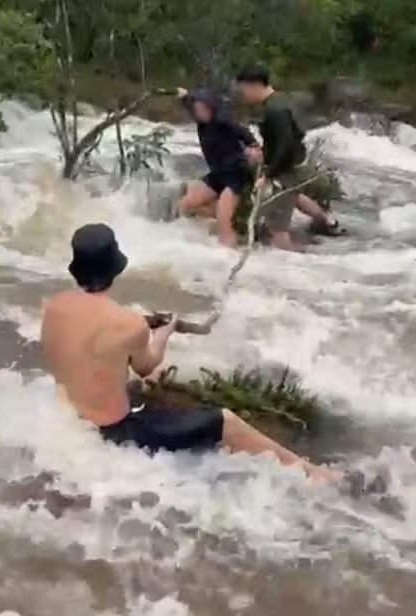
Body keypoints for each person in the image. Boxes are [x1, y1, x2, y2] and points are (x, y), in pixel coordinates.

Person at [40, 223, 334, 480]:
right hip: (115, 434)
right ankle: (313, 474)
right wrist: (164, 333)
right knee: (225, 421)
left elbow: (89, 339)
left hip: (73, 418)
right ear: (114, 269)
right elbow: (147, 364)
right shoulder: (127, 323)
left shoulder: (54, 307)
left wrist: (141, 327)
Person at [233, 66, 343, 252]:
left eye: (243, 89)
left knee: (276, 232)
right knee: (294, 196)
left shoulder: (275, 110)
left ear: (255, 85)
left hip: (287, 170)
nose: (243, 95)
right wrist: (265, 152)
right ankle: (326, 222)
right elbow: (293, 135)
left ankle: (306, 266)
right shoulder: (280, 101)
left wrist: (268, 175)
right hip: (296, 165)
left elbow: (285, 146)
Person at [174, 88, 262, 248]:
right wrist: (185, 96)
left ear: (212, 108)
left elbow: (245, 133)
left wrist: (254, 148)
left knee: (223, 221)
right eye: (197, 109)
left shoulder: (223, 122)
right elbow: (190, 104)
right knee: (185, 205)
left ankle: (228, 255)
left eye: (203, 109)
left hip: (235, 174)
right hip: (217, 174)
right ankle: (205, 231)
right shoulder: (200, 120)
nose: (200, 112)